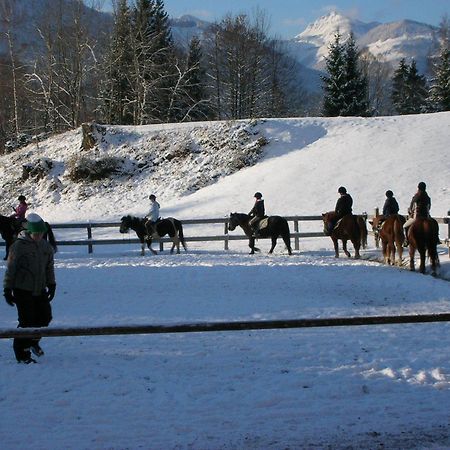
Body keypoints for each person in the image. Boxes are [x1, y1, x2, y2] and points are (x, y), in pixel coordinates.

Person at [3, 213, 56, 364]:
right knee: (27, 321)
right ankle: (21, 353)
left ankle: (32, 341)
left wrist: (52, 285)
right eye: (36, 234)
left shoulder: (46, 247)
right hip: (22, 289)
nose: (39, 236)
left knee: (45, 317)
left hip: (40, 289)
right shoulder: (18, 246)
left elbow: (49, 267)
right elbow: (11, 269)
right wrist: (7, 289)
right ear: (30, 232)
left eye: (41, 234)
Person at [403, 181, 431, 246]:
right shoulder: (427, 197)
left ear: (418, 188)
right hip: (426, 216)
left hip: (417, 217)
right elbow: (429, 207)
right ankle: (436, 239)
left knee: (404, 226)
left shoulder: (416, 196)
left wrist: (410, 211)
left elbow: (412, 207)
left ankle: (407, 240)